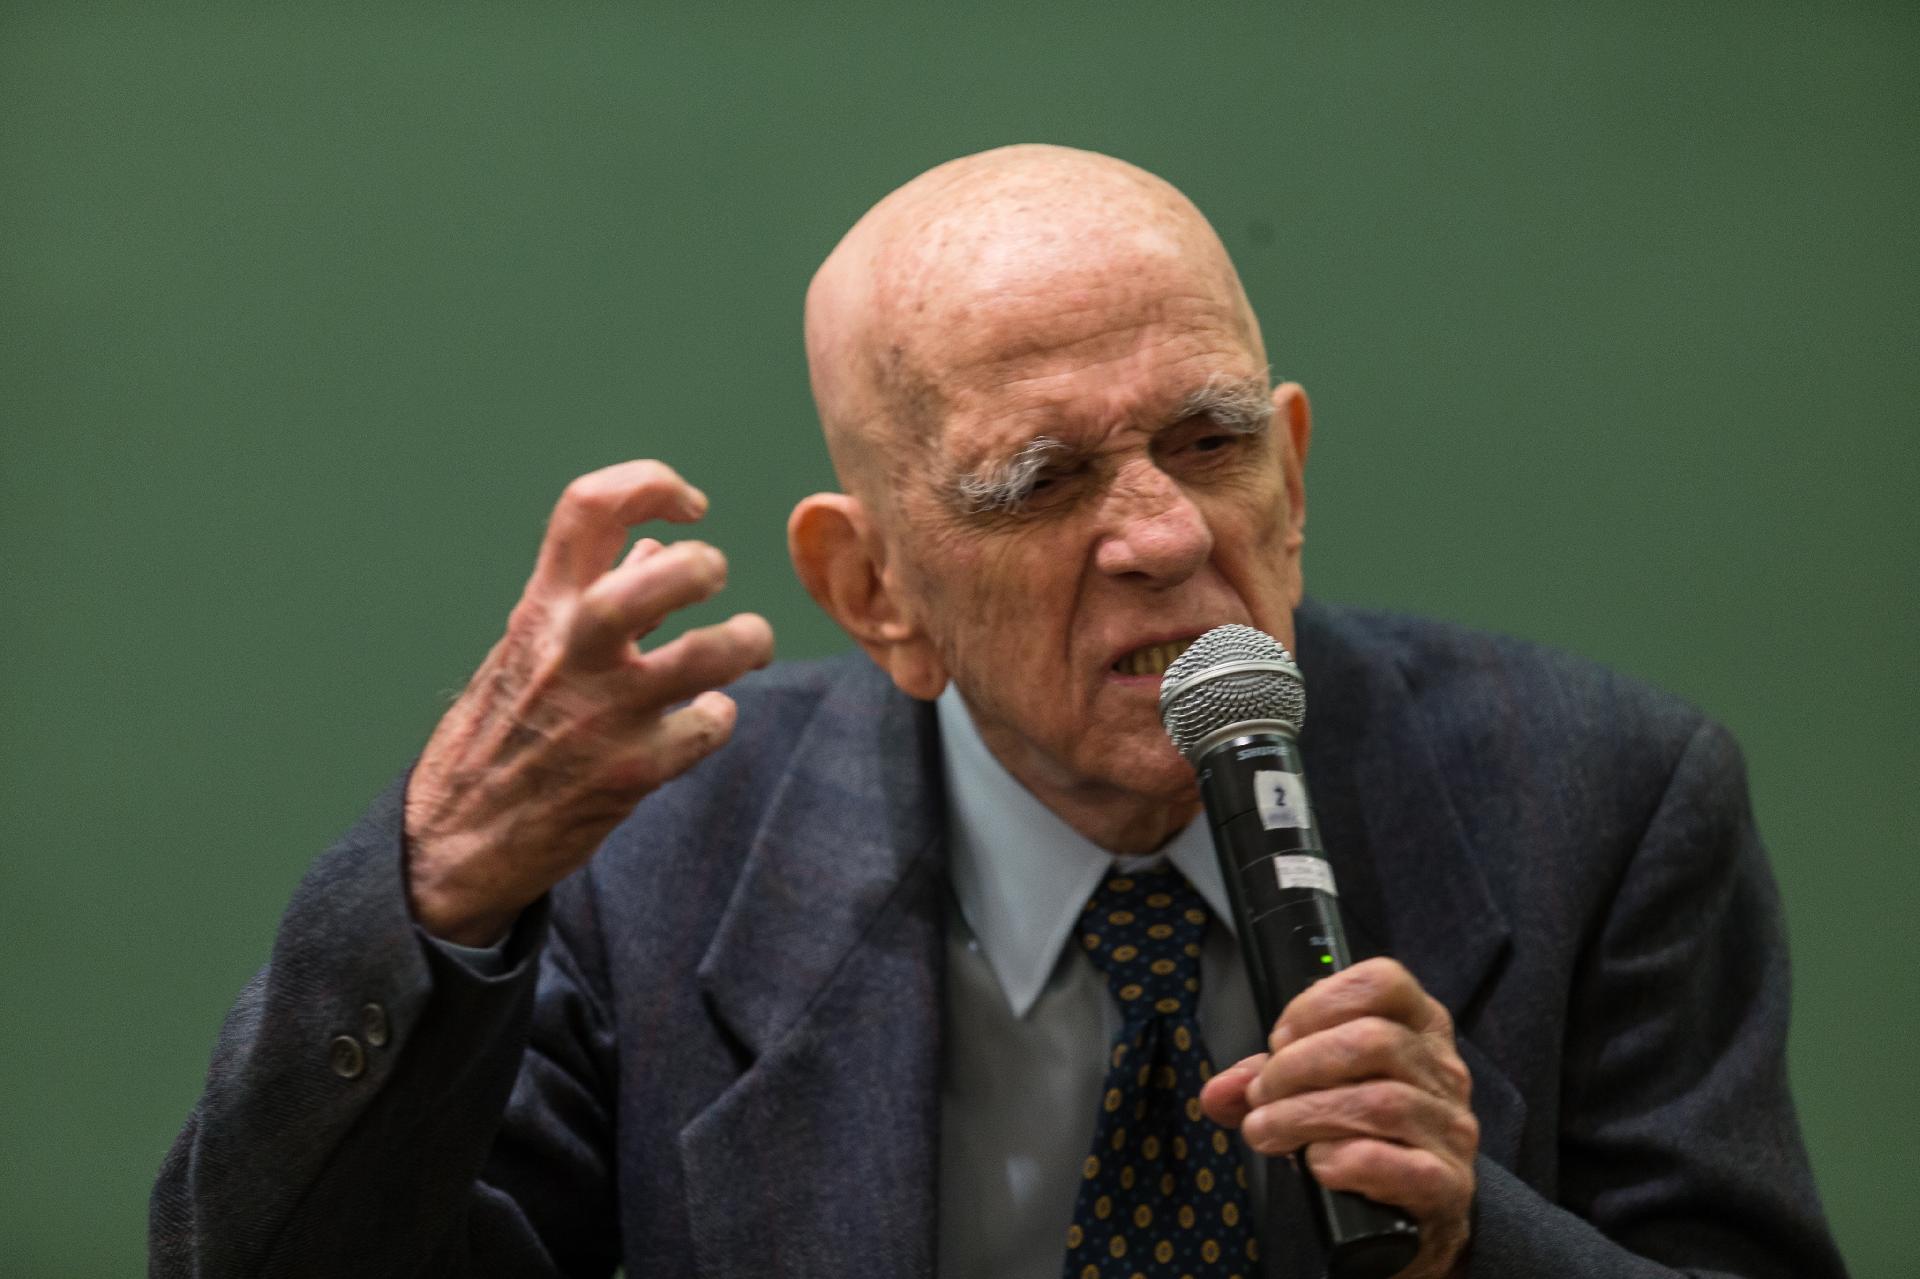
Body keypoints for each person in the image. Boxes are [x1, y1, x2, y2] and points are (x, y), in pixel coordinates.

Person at [152, 145, 1845, 1278]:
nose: (1170, 536)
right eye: (1040, 482)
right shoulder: (646, 875)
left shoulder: (1603, 801)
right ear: (875, 591)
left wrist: (1485, 1240)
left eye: (1211, 441)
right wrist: (437, 881)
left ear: (1296, 471)